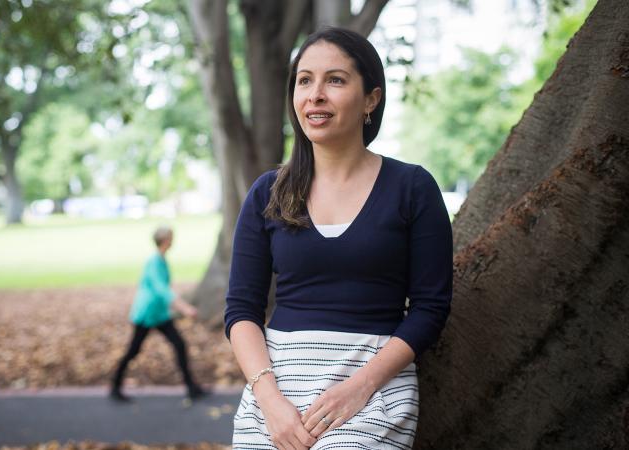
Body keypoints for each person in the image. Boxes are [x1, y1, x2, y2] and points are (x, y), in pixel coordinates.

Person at [225, 27, 453, 449]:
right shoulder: (268, 192)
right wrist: (270, 401)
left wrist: (360, 387)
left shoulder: (412, 187)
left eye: (335, 80)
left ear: (371, 98)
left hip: (372, 388)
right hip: (276, 390)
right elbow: (241, 310)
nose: (315, 94)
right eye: (305, 80)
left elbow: (430, 309)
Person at [110, 225, 208, 402]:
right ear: (165, 240)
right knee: (133, 351)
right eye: (171, 237)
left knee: (179, 345)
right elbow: (162, 290)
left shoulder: (161, 260)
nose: (173, 241)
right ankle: (115, 387)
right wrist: (184, 308)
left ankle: (191, 388)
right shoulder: (154, 262)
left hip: (160, 314)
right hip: (146, 314)